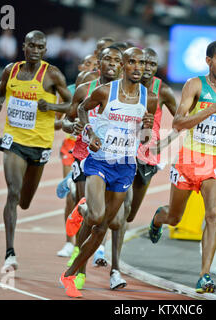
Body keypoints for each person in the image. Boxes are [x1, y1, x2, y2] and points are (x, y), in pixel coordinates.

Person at [59, 47, 157, 298]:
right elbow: (81, 109)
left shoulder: (149, 98)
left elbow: (145, 135)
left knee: (102, 226)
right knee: (96, 215)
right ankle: (84, 209)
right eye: (132, 62)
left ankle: (70, 273)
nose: (138, 67)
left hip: (125, 166)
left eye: (142, 63)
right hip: (100, 162)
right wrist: (90, 134)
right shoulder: (104, 91)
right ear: (124, 65)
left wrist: (146, 128)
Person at [148, 40, 216, 294]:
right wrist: (214, 108)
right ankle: (159, 218)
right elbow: (179, 122)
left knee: (213, 214)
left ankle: (204, 276)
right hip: (190, 159)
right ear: (208, 61)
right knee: (175, 218)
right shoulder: (195, 85)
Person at [0, 30, 71, 273]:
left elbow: (72, 104)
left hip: (39, 144)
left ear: (45, 50)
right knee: (13, 193)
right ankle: (9, 253)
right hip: (13, 140)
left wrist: (52, 105)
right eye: (32, 46)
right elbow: (0, 93)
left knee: (25, 202)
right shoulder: (11, 70)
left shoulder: (52, 74)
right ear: (23, 47)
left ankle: (11, 249)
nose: (36, 50)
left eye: (40, 47)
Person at [108, 47, 179, 287]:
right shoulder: (122, 86)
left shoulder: (162, 91)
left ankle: (113, 240)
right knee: (120, 206)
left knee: (130, 213)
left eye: (151, 64)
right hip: (124, 151)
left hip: (147, 156)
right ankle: (112, 265)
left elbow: (181, 122)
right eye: (142, 63)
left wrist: (163, 145)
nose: (145, 68)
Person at [59, 46, 124, 289]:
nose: (112, 64)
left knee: (112, 220)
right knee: (96, 218)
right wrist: (72, 127)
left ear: (123, 65)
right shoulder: (86, 87)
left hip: (117, 159)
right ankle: (80, 270)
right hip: (86, 156)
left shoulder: (130, 93)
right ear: (99, 62)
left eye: (117, 60)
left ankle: (81, 210)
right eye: (107, 58)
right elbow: (66, 119)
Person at [55, 52, 100, 258]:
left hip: (97, 151)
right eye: (89, 63)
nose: (92, 67)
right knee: (73, 198)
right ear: (82, 66)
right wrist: (74, 126)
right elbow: (59, 122)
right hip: (74, 147)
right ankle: (69, 242)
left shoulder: (112, 89)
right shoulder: (77, 89)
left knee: (93, 203)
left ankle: (96, 244)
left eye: (96, 64)